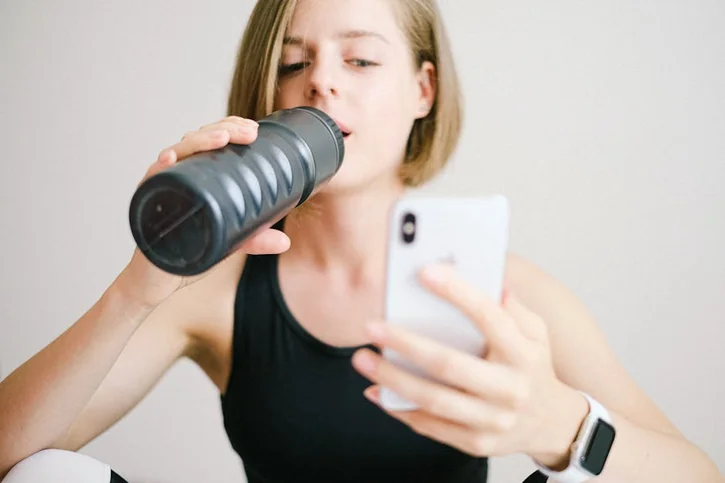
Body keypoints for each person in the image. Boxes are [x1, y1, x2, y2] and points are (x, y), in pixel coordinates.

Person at [0, 0, 722, 482]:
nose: (321, 83)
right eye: (293, 63)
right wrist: (143, 279)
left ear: (422, 90)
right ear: (272, 96)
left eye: (361, 61)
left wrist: (561, 426)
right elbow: (13, 457)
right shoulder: (213, 292)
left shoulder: (506, 294)